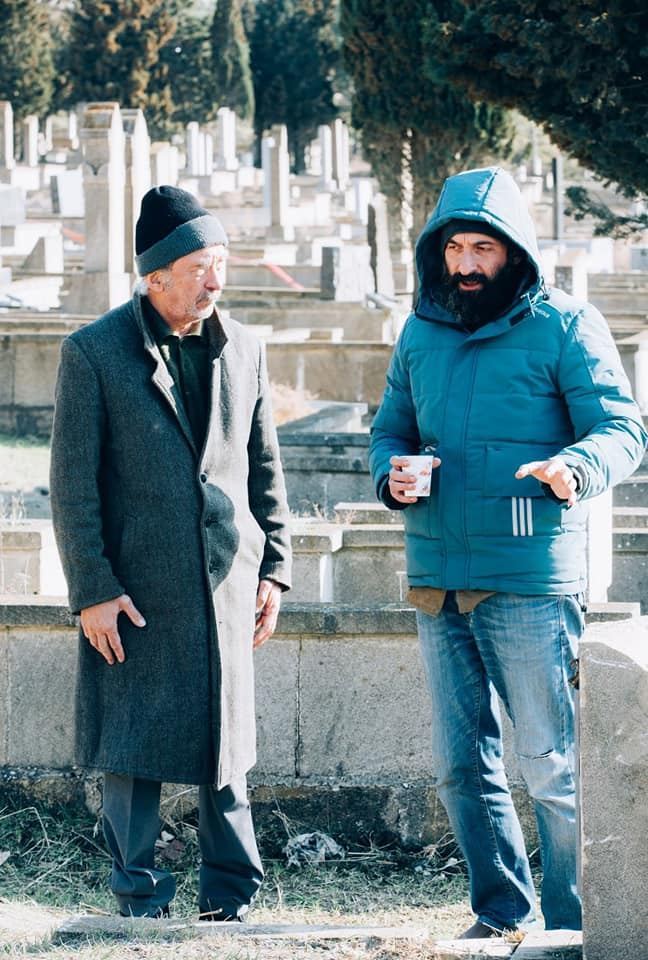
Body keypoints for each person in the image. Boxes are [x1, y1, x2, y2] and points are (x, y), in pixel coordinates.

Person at [369, 166, 646, 939]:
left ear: (513, 252)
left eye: (481, 248)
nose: (465, 263)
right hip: (437, 578)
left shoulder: (566, 325)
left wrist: (577, 468)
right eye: (454, 246)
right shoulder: (420, 331)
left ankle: (576, 926)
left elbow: (625, 431)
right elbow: (389, 430)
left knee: (552, 764)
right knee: (462, 768)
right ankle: (500, 915)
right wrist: (391, 475)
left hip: (529, 580)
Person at [50, 185, 292, 920]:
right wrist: (92, 587)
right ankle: (139, 897)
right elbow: (72, 486)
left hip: (227, 581)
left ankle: (231, 897)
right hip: (134, 587)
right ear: (154, 276)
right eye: (198, 267)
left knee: (227, 751)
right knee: (134, 747)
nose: (215, 281)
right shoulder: (92, 354)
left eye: (220, 263)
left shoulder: (244, 348)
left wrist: (275, 567)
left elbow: (264, 468)